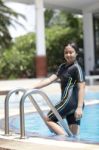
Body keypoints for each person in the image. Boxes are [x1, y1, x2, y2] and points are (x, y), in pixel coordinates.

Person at [33, 42, 85, 136]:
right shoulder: (62, 67)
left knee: (48, 119)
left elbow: (82, 88)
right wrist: (34, 87)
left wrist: (79, 107)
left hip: (69, 103)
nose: (68, 55)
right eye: (66, 52)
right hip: (72, 104)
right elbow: (49, 79)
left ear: (76, 53)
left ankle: (64, 139)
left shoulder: (77, 68)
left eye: (71, 52)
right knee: (74, 134)